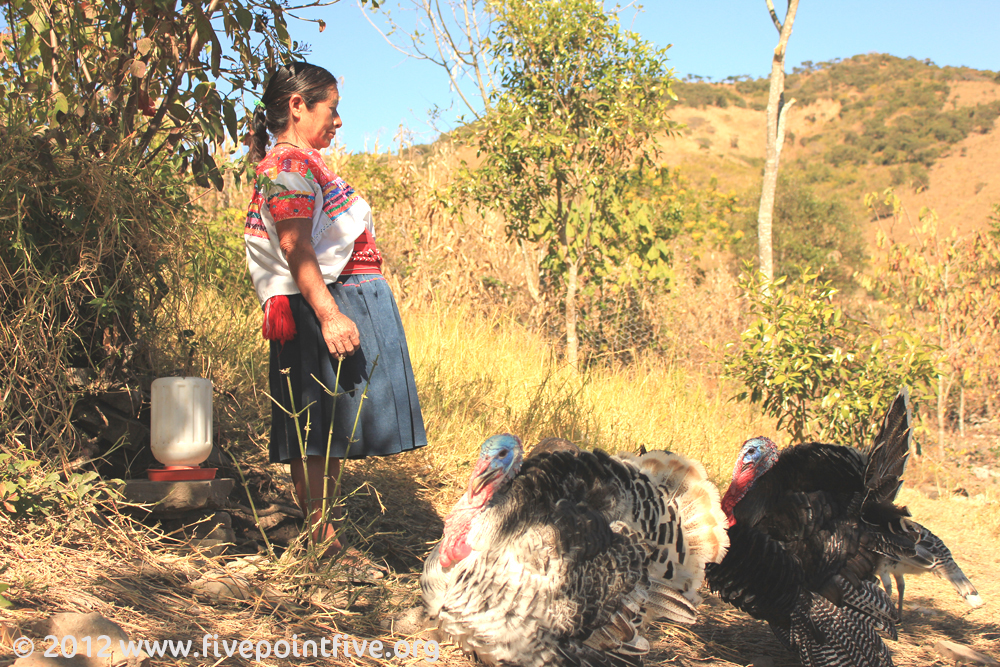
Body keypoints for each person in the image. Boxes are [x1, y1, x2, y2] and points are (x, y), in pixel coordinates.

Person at [244, 62, 427, 566]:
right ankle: (322, 541)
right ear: (297, 106)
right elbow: (295, 245)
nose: (339, 121)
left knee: (327, 428)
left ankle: (323, 534)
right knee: (317, 429)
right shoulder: (288, 167)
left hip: (343, 298)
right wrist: (329, 315)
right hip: (324, 304)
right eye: (332, 108)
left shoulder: (302, 164)